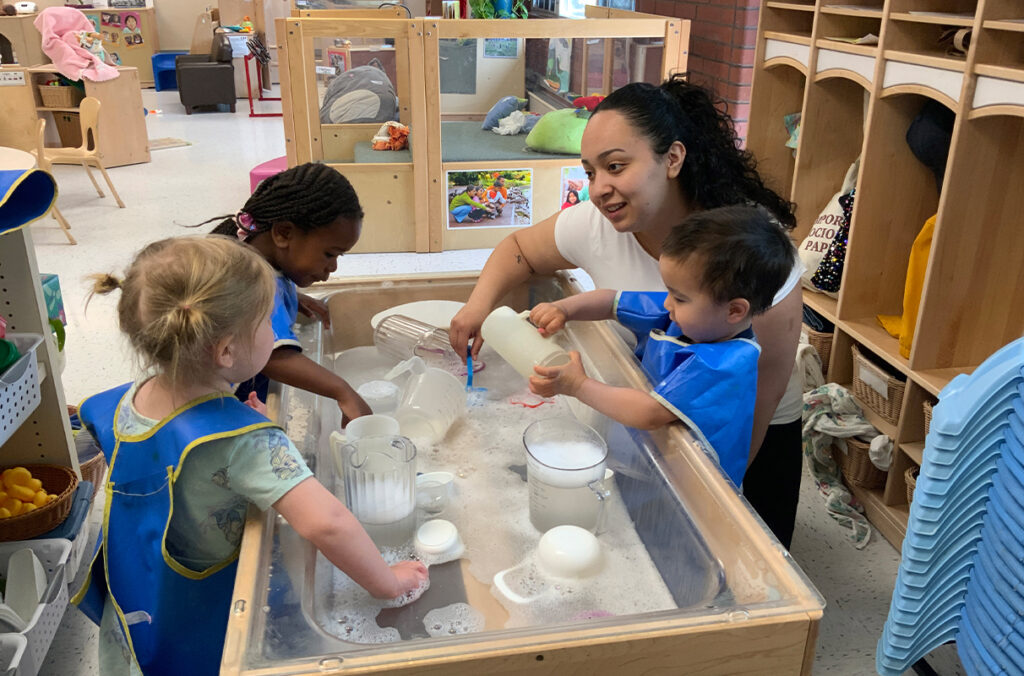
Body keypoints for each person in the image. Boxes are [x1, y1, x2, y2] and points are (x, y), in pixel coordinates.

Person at [449, 75, 805, 548]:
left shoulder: (748, 255)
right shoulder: (600, 223)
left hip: (742, 423)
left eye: (616, 166)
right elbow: (523, 249)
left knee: (746, 548)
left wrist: (720, 496)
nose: (600, 189)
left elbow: (752, 407)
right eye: (590, 171)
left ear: (673, 158)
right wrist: (479, 307)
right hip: (661, 391)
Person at [76, 237, 429, 676]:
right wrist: (388, 582)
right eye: (269, 321)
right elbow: (327, 523)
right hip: (200, 611)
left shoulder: (120, 404)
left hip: (136, 592)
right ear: (225, 351)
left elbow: (176, 465)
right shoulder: (247, 443)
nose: (277, 331)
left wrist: (235, 419)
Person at [527, 206, 794, 486]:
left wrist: (577, 386)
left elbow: (649, 412)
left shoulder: (724, 364)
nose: (667, 304)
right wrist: (563, 310)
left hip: (700, 489)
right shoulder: (689, 317)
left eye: (678, 297)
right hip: (660, 462)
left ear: (735, 311)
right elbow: (610, 300)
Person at [200, 163, 372, 425]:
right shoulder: (252, 283)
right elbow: (274, 358)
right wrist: (343, 391)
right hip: (222, 411)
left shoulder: (250, 248)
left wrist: (294, 297)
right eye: (329, 254)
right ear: (283, 233)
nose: (333, 267)